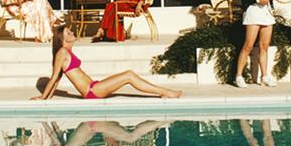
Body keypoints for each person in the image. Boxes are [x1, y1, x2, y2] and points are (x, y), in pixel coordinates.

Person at [33, 24, 182, 99]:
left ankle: (163, 92)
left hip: (94, 86)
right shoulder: (62, 52)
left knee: (128, 75)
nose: (72, 33)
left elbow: (58, 78)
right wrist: (43, 98)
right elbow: (54, 77)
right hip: (91, 92)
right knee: (128, 75)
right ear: (62, 38)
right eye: (68, 32)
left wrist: (49, 96)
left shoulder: (67, 51)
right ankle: (164, 92)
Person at [234, 0, 282, 87]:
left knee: (264, 46)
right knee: (248, 45)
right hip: (253, 11)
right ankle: (238, 76)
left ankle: (265, 76)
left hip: (266, 12)